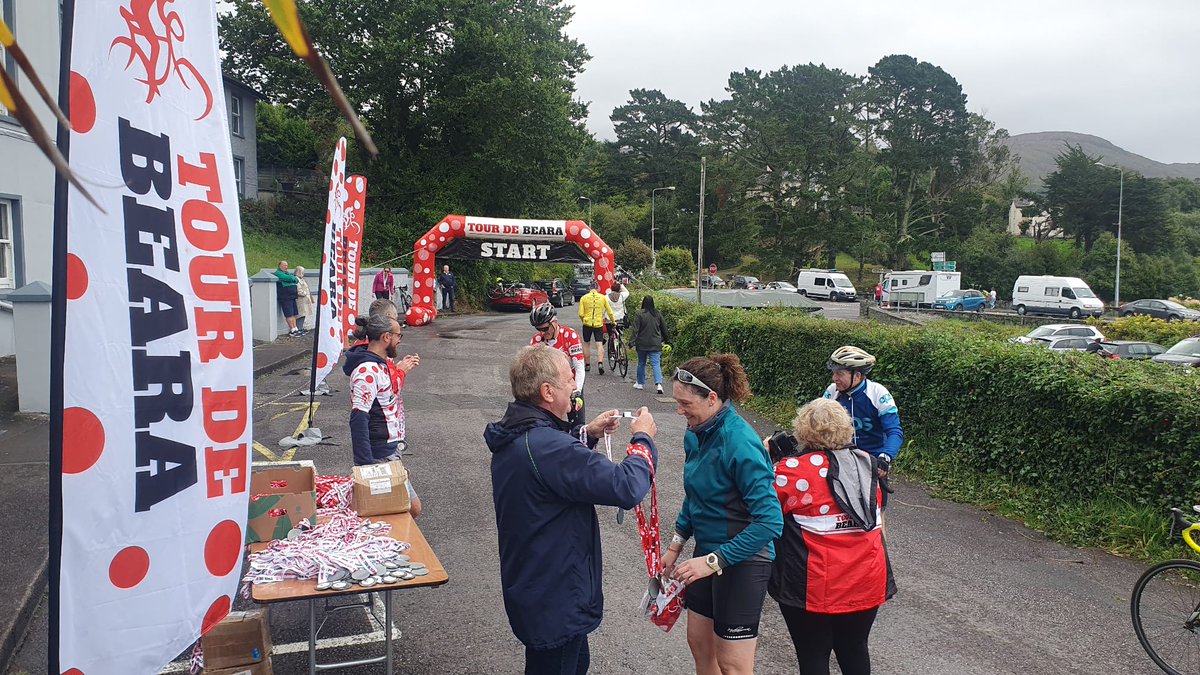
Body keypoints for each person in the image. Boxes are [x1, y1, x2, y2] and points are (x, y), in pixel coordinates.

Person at [486, 346, 658, 675]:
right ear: (547, 392)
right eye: (568, 380)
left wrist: (586, 434)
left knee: (573, 662)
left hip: (539, 587)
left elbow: (556, 470)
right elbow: (626, 487)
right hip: (557, 597)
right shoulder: (549, 447)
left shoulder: (522, 434)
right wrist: (642, 440)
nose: (575, 387)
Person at [662, 355, 783, 675]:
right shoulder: (695, 432)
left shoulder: (740, 441)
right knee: (699, 643)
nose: (679, 411)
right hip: (707, 554)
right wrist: (675, 545)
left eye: (685, 403)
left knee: (732, 663)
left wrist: (713, 561)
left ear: (712, 398)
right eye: (677, 402)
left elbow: (771, 521)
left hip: (743, 560)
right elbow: (696, 494)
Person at [769, 399, 895, 675]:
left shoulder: (791, 471)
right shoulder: (867, 464)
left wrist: (769, 460)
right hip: (868, 578)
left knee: (813, 654)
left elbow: (765, 512)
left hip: (815, 583)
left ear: (802, 431)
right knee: (855, 648)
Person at [342, 313, 422, 516]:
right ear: (386, 337)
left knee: (404, 509)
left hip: (386, 451)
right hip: (378, 456)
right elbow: (358, 418)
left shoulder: (380, 364)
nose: (399, 340)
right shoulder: (368, 371)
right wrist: (365, 466)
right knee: (406, 509)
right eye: (398, 335)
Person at [529, 303, 587, 426]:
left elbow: (579, 367)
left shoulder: (570, 335)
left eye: (545, 329)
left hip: (570, 383)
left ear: (554, 322)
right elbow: (532, 371)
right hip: (550, 386)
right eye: (538, 329)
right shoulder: (536, 341)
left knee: (578, 423)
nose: (542, 333)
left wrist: (577, 391)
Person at [631, 295, 669, 395]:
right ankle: (659, 384)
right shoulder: (657, 314)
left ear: (643, 302)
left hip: (642, 343)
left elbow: (635, 330)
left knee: (641, 363)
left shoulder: (639, 314)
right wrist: (667, 340)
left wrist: (632, 341)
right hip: (655, 343)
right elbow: (664, 328)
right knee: (656, 364)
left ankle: (640, 383)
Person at [578, 281, 613, 375]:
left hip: (587, 324)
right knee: (599, 344)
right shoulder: (602, 297)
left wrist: (584, 320)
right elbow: (609, 312)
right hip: (598, 324)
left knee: (586, 344)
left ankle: (587, 365)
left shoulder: (584, 298)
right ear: (598, 288)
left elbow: (580, 313)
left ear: (590, 288)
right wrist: (613, 321)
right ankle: (600, 363)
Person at [273, 260, 303, 336]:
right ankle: (292, 330)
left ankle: (296, 329)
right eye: (284, 265)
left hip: (292, 296)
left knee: (293, 314)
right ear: (280, 266)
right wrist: (292, 278)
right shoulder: (278, 273)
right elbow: (288, 278)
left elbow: (296, 280)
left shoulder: (287, 273)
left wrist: (292, 278)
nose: (286, 267)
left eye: (286, 265)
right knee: (289, 314)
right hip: (285, 297)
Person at [604, 281, 630, 358]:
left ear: (611, 289)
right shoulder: (622, 296)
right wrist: (621, 285)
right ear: (619, 289)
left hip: (609, 320)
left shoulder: (606, 297)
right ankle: (620, 351)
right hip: (620, 319)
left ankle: (612, 353)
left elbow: (604, 309)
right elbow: (627, 292)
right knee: (619, 336)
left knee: (611, 336)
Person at [294, 265, 313, 331]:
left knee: (303, 314)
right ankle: (299, 328)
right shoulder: (296, 279)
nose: (303, 273)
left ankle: (300, 327)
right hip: (300, 300)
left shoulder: (302, 279)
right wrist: (305, 293)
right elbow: (298, 290)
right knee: (300, 314)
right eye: (302, 272)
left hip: (304, 300)